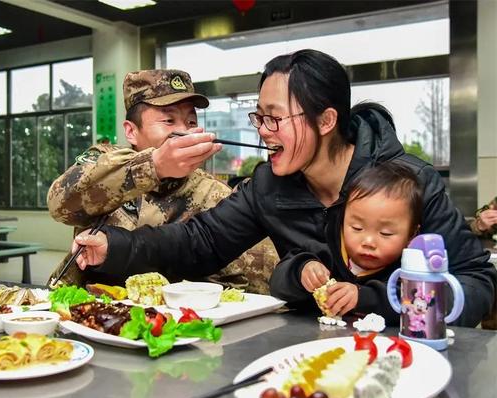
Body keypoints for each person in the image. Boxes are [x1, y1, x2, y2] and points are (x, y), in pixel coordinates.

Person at [72, 49, 496, 327]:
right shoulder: (269, 185)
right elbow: (198, 242)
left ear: (326, 121)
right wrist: (115, 246)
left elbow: (478, 279)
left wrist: (400, 303)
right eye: (260, 118)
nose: (264, 133)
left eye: (275, 118)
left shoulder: (411, 183)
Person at [47, 69, 277, 292]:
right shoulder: (106, 165)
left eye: (190, 122)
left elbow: (257, 279)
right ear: (131, 132)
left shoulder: (214, 193)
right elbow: (60, 203)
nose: (185, 132)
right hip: (86, 312)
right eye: (168, 120)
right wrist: (154, 165)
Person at [293, 162, 422, 323]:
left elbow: (419, 306)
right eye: (357, 228)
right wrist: (300, 270)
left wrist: (363, 297)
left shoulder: (411, 272)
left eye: (385, 233)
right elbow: (279, 283)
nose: (368, 242)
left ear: (411, 235)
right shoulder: (326, 251)